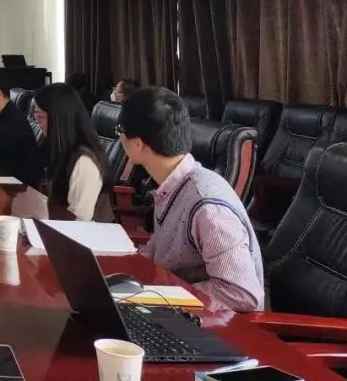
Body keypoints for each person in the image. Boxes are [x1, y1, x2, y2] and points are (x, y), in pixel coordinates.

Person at [118, 86, 264, 312]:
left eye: (120, 130)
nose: (119, 137)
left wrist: (167, 293)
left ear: (138, 143)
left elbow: (241, 293)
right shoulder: (172, 185)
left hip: (212, 324)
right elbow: (164, 255)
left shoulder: (207, 206)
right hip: (175, 308)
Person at [33, 83, 113, 222]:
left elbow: (79, 220)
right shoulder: (61, 151)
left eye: (39, 116)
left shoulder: (84, 162)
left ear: (58, 119)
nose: (37, 121)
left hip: (84, 233)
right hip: (59, 226)